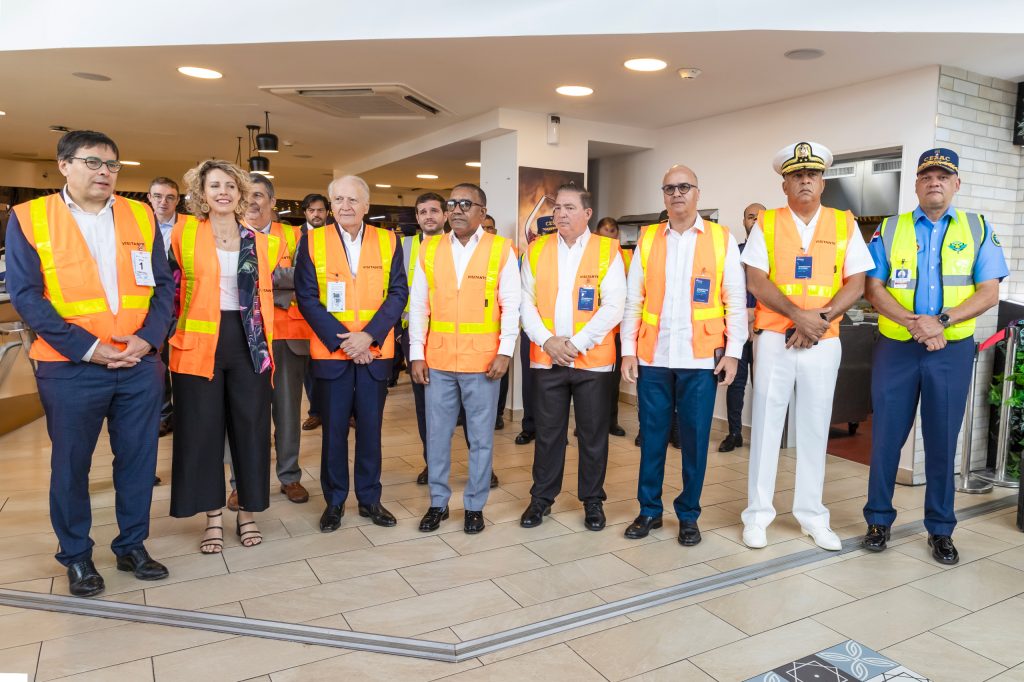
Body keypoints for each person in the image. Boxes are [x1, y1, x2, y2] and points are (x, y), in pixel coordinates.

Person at [6, 130, 173, 596]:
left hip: (138, 364)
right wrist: (88, 347)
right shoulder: (30, 217)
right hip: (71, 366)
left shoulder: (139, 214)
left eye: (113, 165)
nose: (105, 172)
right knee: (71, 465)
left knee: (138, 461)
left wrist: (147, 339)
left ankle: (132, 545)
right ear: (64, 165)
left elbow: (163, 287)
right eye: (94, 162)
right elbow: (26, 297)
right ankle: (77, 555)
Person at [862, 148, 1008, 565]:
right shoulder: (891, 228)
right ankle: (878, 521)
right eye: (927, 176)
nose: (935, 183)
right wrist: (915, 323)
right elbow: (874, 289)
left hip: (951, 351)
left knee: (942, 440)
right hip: (897, 349)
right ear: (916, 184)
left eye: (943, 176)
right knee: (887, 437)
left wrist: (940, 321)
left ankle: (941, 530)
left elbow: (988, 291)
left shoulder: (977, 228)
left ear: (956, 184)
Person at [740, 141, 874, 551]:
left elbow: (858, 282)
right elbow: (756, 281)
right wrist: (798, 315)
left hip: (823, 339)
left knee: (815, 427)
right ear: (784, 184)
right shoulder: (766, 223)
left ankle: (812, 516)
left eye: (812, 175)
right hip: (776, 339)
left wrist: (820, 318)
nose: (804, 181)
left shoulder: (843, 222)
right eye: (796, 175)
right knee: (765, 425)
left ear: (822, 183)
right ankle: (758, 516)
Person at [620, 165, 747, 546]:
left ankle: (689, 514)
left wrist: (734, 352)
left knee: (694, 440)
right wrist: (628, 351)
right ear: (664, 196)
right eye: (669, 188)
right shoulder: (648, 239)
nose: (677, 194)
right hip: (654, 357)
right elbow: (633, 301)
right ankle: (649, 511)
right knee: (653, 438)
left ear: (697, 193)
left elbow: (735, 302)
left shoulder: (721, 239)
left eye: (684, 187)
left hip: (700, 359)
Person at [168, 159, 276, 553]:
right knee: (203, 432)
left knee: (251, 430)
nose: (223, 193)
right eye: (214, 186)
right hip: (198, 345)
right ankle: (213, 517)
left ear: (241, 193)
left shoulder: (262, 241)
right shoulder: (183, 234)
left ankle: (246, 511)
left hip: (250, 344)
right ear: (201, 193)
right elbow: (168, 290)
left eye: (230, 186)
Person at [295, 175, 407, 532]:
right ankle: (335, 501)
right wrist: (347, 341)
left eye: (353, 200)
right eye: (339, 200)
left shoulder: (389, 241)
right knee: (334, 433)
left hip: (375, 354)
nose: (345, 206)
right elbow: (307, 298)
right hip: (333, 355)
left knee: (371, 431)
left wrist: (369, 337)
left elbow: (398, 294)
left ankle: (370, 499)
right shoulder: (312, 242)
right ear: (331, 205)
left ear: (366, 206)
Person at [409, 183, 520, 534]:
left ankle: (474, 506)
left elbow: (511, 305)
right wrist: (415, 353)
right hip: (438, 360)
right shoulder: (429, 250)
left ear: (482, 212)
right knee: (438, 436)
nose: (456, 209)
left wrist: (505, 351)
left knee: (481, 438)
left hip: (484, 363)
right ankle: (438, 503)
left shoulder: (501, 249)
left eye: (465, 203)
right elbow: (419, 306)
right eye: (452, 203)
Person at [519, 184, 626, 530]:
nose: (560, 214)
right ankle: (541, 499)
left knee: (593, 434)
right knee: (548, 434)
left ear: (587, 214)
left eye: (568, 208)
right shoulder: (536, 251)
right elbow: (526, 303)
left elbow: (613, 307)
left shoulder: (608, 251)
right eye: (557, 208)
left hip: (592, 362)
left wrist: (576, 343)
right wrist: (548, 341)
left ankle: (592, 501)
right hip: (547, 359)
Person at [244, 175, 311, 505]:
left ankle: (289, 476)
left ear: (273, 201)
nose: (252, 201)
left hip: (287, 336)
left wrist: (258, 283)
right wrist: (277, 287)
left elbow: (302, 278)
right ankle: (241, 481)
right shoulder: (229, 235)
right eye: (247, 195)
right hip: (244, 336)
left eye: (258, 195)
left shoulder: (296, 236)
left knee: (287, 413)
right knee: (245, 413)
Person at [719, 202, 764, 452]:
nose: (755, 221)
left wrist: (755, 315)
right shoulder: (735, 253)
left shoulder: (775, 254)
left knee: (764, 385)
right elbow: (726, 291)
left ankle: (762, 436)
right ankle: (734, 433)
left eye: (760, 218)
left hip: (764, 331)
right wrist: (743, 318)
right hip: (737, 330)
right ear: (744, 221)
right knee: (735, 383)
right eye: (750, 217)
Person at [147, 177, 185, 440]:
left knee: (182, 364)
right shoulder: (137, 227)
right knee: (156, 365)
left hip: (185, 306)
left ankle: (185, 414)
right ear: (149, 198)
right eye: (158, 196)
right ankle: (163, 414)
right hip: (150, 308)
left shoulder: (191, 226)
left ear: (177, 200)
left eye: (170, 197)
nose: (164, 202)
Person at [594, 216, 628, 437]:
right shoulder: (589, 254)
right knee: (592, 382)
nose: (609, 234)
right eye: (604, 230)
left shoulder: (627, 256)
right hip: (592, 329)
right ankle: (587, 423)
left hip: (617, 330)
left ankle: (611, 421)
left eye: (612, 231)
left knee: (613, 381)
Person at [300, 193, 329, 431]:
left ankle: (345, 412)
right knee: (310, 367)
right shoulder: (295, 237)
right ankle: (316, 411)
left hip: (333, 311)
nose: (316, 214)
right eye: (312, 211)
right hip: (302, 313)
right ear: (305, 213)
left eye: (320, 210)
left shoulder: (336, 235)